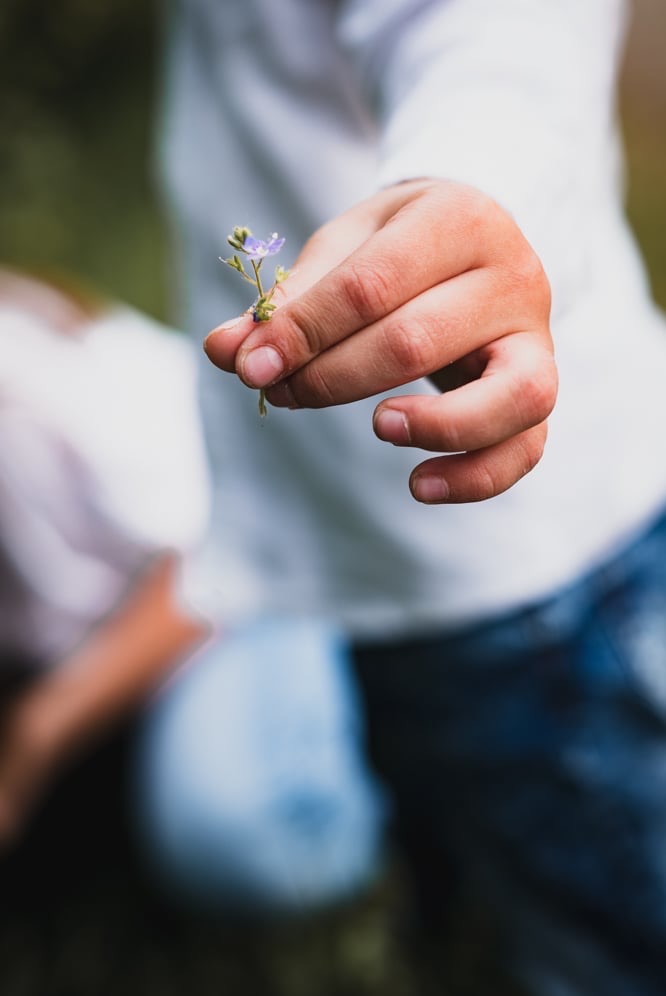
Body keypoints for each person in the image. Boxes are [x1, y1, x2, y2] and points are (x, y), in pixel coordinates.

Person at [160, 0, 666, 992]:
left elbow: (498, 30)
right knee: (480, 893)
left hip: (532, 580)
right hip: (390, 570)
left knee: (614, 928)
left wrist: (476, 184)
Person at [0, 268, 384, 912]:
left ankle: (408, 761)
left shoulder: (24, 384)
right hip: (112, 614)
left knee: (246, 841)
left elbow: (210, 555)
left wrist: (35, 737)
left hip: (248, 567)